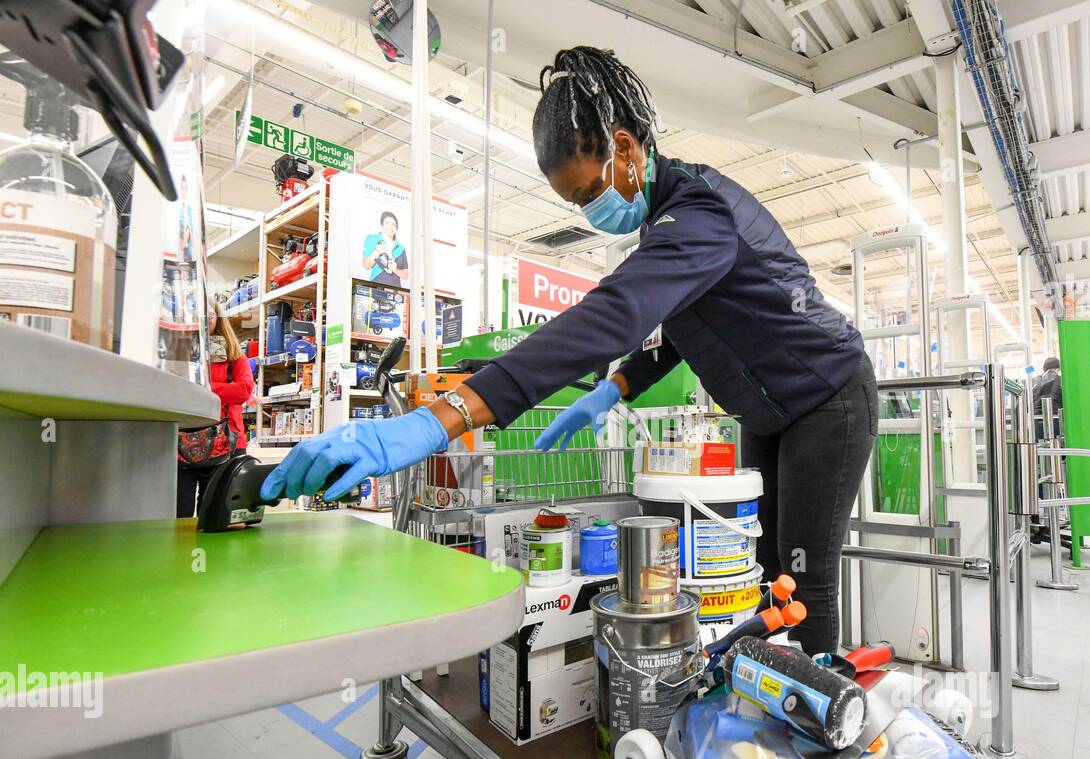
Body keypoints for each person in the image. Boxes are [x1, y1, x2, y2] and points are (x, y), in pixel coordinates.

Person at [262, 46, 876, 657]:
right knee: (765, 565)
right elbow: (679, 336)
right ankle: (780, 686)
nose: (587, 212)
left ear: (627, 148)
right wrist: (615, 389)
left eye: (586, 194)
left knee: (804, 570)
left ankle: (826, 721)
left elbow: (616, 313)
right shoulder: (663, 223)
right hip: (769, 413)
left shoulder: (701, 212)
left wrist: (442, 416)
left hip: (828, 397)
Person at [177, 310, 254, 518]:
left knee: (216, 514)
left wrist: (201, 387)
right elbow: (172, 389)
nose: (204, 319)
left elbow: (243, 391)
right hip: (182, 445)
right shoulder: (178, 353)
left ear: (218, 318)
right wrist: (223, 389)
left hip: (227, 444)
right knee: (178, 515)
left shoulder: (234, 356)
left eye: (209, 314)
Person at [361, 211, 409, 287]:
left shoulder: (401, 248)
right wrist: (376, 252)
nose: (390, 227)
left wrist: (395, 269)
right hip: (376, 286)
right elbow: (366, 265)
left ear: (396, 228)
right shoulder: (372, 239)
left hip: (395, 290)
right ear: (382, 224)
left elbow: (406, 275)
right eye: (387, 223)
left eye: (393, 224)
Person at [1032, 356, 1062, 440]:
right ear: (1058, 369)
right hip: (1055, 421)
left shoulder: (1033, 381)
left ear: (1044, 368)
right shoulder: (1061, 381)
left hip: (1035, 422)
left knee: (1039, 449)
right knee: (1057, 448)